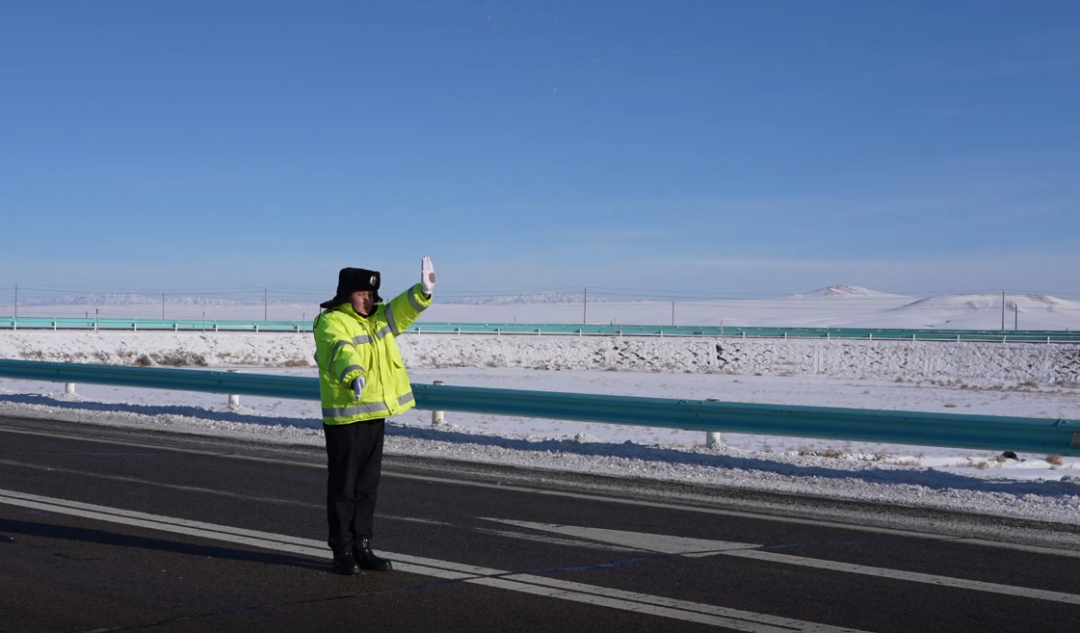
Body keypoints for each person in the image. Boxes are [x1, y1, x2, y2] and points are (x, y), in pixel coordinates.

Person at [313, 256, 435, 575]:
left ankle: (363, 546)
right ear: (346, 294)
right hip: (346, 418)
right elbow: (338, 349)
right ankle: (342, 550)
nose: (367, 299)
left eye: (371, 294)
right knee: (344, 487)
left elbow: (402, 310)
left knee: (367, 487)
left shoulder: (379, 319)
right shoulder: (331, 321)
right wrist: (353, 373)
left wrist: (422, 292)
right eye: (361, 294)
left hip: (374, 414)